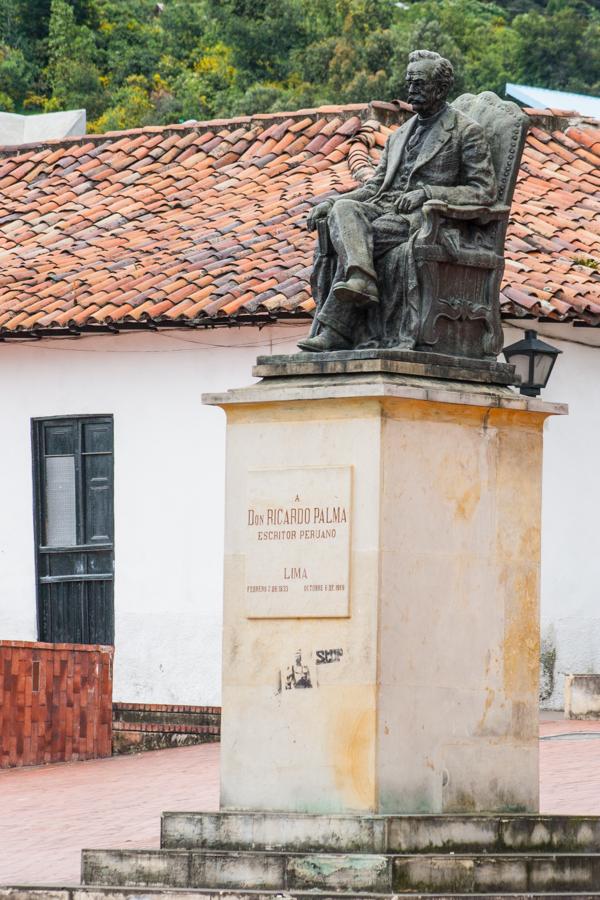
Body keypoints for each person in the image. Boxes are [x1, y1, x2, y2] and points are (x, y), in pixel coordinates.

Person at [298, 49, 497, 353]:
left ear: (441, 88)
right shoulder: (399, 134)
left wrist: (428, 193)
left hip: (425, 220)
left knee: (357, 239)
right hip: (384, 208)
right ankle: (360, 279)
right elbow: (375, 185)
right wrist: (333, 202)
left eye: (419, 83)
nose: (411, 89)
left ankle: (336, 328)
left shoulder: (466, 132)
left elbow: (483, 192)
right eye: (409, 82)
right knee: (343, 211)